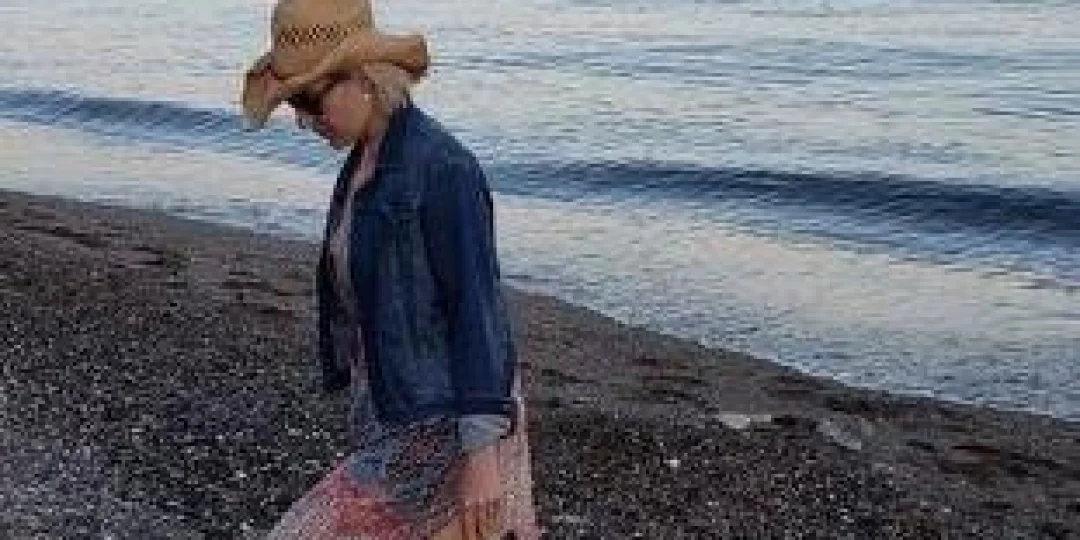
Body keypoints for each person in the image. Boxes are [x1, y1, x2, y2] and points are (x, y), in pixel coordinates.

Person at [240, 0, 540, 538]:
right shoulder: (363, 163)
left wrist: (481, 455)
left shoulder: (443, 169)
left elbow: (477, 311)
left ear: (363, 79)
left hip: (448, 427)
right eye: (294, 104)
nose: (304, 121)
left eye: (309, 100)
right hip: (394, 417)